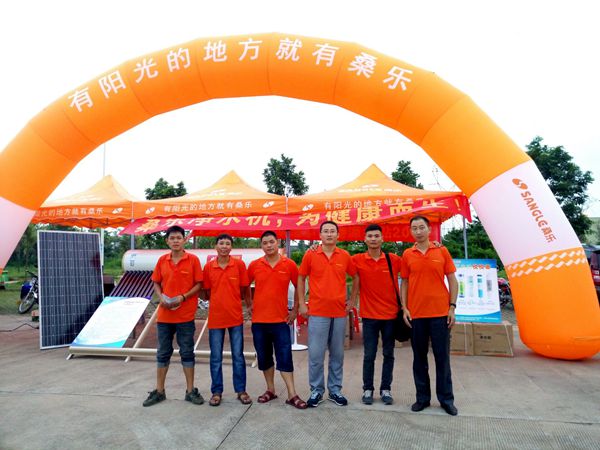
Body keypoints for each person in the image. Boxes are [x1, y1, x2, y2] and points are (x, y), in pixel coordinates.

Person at [401, 215, 459, 416]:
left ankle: (446, 399)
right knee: (419, 359)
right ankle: (422, 398)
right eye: (414, 228)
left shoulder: (441, 251)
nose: (418, 231)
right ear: (411, 231)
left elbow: (452, 280)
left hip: (440, 314)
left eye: (421, 227)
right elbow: (404, 282)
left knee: (442, 358)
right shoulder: (407, 254)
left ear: (429, 229)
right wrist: (405, 308)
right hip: (416, 314)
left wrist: (452, 307)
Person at [298, 220, 358, 407]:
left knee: (337, 354)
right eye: (326, 231)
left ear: (338, 235)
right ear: (320, 235)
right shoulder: (311, 254)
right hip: (317, 312)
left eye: (333, 231)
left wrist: (352, 300)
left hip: (339, 312)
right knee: (316, 355)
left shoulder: (345, 256)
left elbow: (356, 276)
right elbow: (301, 277)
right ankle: (316, 390)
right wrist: (301, 303)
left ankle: (335, 390)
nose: (329, 234)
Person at [144, 225, 204, 407]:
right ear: (167, 241)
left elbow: (199, 284)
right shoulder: (162, 260)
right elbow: (156, 282)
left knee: (187, 352)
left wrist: (183, 297)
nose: (176, 241)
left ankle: (190, 391)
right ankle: (159, 391)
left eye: (179, 238)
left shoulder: (193, 260)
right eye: (172, 238)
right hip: (165, 316)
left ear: (184, 240)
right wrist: (161, 296)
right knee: (163, 353)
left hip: (185, 316)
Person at [247, 230, 307, 409]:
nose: (269, 245)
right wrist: (249, 304)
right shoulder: (255, 265)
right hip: (259, 322)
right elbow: (244, 285)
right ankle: (270, 390)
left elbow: (299, 285)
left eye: (271, 242)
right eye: (265, 243)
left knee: (285, 357)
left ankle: (292, 394)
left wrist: (295, 309)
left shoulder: (289, 264)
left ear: (278, 243)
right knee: (264, 358)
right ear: (261, 246)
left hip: (281, 321)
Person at [349, 224, 400, 406]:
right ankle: (368, 389)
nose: (373, 239)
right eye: (370, 236)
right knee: (369, 355)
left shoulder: (393, 259)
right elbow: (335, 259)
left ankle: (386, 389)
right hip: (369, 316)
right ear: (365, 239)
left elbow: (414, 267)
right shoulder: (356, 260)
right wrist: (316, 248)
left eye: (376, 236)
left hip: (391, 316)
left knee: (388, 354)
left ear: (382, 238)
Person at [203, 233, 252, 407]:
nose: (224, 246)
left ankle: (241, 391)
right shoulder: (208, 267)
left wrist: (249, 306)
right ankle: (216, 392)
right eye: (221, 243)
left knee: (238, 356)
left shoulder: (239, 265)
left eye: (227, 243)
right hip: (216, 318)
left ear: (231, 247)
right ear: (215, 246)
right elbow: (207, 292)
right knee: (215, 357)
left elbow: (245, 288)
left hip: (235, 317)